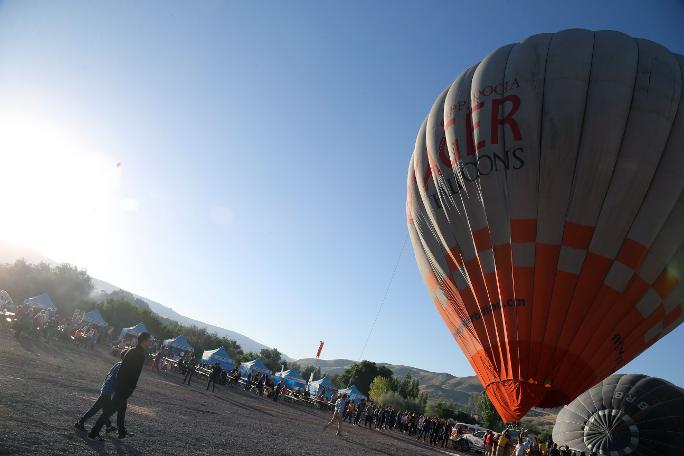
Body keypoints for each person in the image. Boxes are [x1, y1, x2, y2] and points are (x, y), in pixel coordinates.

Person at [88, 332, 151, 441]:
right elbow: (134, 374)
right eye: (149, 340)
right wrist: (130, 387)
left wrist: (120, 384)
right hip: (125, 388)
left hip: (121, 385)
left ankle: (122, 432)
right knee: (109, 411)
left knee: (122, 408)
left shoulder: (131, 351)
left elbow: (122, 370)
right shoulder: (140, 355)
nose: (150, 343)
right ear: (144, 341)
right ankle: (93, 433)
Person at [75, 349, 128, 433]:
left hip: (106, 388)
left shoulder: (118, 364)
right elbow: (117, 380)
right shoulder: (122, 366)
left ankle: (108, 426)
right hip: (108, 390)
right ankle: (80, 422)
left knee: (105, 408)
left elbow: (109, 376)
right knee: (96, 408)